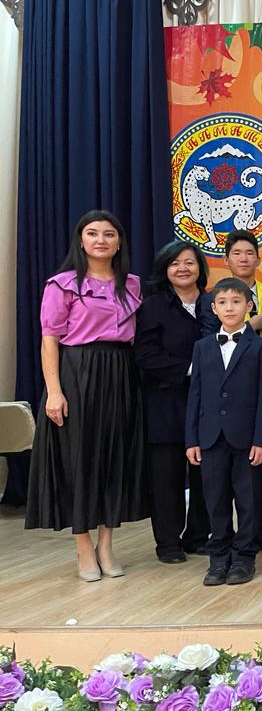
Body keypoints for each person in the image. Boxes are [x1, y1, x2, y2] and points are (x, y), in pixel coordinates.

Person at [25, 210, 146, 581]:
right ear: (81, 240)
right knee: (79, 459)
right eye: (92, 233)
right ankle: (82, 545)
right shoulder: (61, 285)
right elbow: (50, 341)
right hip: (77, 373)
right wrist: (54, 391)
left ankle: (106, 545)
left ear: (119, 242)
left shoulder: (133, 284)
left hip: (121, 373)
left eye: (109, 234)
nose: (101, 240)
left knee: (114, 458)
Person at [197, 229, 262, 555]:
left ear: (259, 259)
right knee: (221, 480)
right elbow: (210, 336)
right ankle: (225, 540)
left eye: (250, 253)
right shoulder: (213, 298)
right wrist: (251, 326)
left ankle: (260, 531)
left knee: (258, 468)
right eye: (237, 253)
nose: (244, 258)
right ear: (226, 259)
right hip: (225, 392)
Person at [185, 277, 262, 586]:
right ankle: (219, 557)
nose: (229, 308)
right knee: (216, 499)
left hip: (247, 437)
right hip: (210, 437)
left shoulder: (261, 347)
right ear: (213, 308)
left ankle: (244, 557)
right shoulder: (202, 347)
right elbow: (195, 394)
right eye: (222, 302)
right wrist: (192, 439)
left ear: (249, 306)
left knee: (248, 499)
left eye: (236, 302)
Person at [134, 240, 211, 564]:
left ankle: (198, 536)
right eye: (175, 263)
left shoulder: (213, 302)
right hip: (165, 402)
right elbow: (145, 355)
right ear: (165, 269)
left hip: (208, 404)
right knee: (166, 477)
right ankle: (167, 543)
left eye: (189, 262)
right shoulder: (153, 306)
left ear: (200, 268)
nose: (182, 268)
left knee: (206, 474)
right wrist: (191, 368)